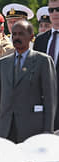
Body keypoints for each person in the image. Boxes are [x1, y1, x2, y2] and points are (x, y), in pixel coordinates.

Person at [0, 20, 57, 142]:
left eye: (21, 34)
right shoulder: (3, 63)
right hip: (5, 129)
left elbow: (50, 99)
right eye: (14, 34)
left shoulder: (42, 61)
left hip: (32, 129)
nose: (17, 37)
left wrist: (48, 131)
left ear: (31, 37)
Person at [33, 0, 59, 129]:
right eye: (51, 10)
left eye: (58, 9)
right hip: (44, 105)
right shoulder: (40, 40)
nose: (54, 13)